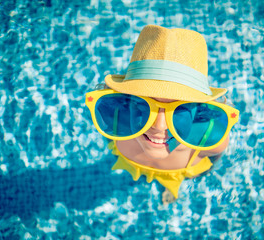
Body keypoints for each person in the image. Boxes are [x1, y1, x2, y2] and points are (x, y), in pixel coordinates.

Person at [85, 25, 239, 201]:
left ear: (199, 110)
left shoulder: (209, 139)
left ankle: (171, 189)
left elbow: (215, 158)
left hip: (178, 172)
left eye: (180, 108)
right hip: (136, 165)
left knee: (177, 183)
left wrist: (200, 173)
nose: (159, 126)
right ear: (125, 101)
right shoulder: (114, 120)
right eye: (143, 104)